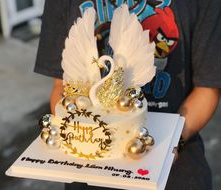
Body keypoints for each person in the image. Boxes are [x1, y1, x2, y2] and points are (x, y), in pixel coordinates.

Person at [34, 0, 221, 189]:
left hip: (175, 173)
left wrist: (174, 141)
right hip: (86, 173)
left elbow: (207, 88)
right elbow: (61, 85)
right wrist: (80, 137)